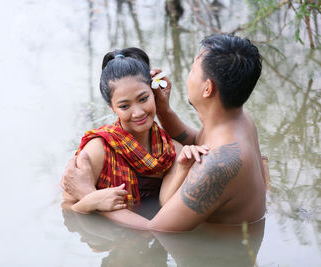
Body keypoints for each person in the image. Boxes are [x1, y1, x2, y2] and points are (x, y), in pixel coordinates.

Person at [63, 34, 267, 232]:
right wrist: (163, 110)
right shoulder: (240, 120)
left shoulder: (217, 164)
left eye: (193, 70)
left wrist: (88, 195)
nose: (188, 76)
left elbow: (157, 229)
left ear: (207, 88)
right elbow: (197, 141)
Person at [62, 47, 209, 226]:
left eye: (143, 99)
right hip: (112, 245)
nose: (138, 112)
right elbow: (67, 209)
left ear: (153, 93)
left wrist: (184, 168)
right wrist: (92, 201)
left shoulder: (170, 149)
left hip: (151, 242)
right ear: (111, 107)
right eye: (124, 106)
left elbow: (165, 203)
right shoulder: (98, 150)